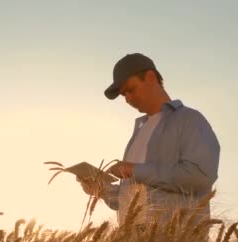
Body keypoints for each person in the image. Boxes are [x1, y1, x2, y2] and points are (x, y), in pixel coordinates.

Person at [78, 53, 220, 232]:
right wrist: (101, 190)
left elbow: (200, 176)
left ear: (151, 77)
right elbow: (135, 197)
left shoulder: (190, 119)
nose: (127, 98)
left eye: (131, 89)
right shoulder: (138, 133)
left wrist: (134, 170)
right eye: (123, 95)